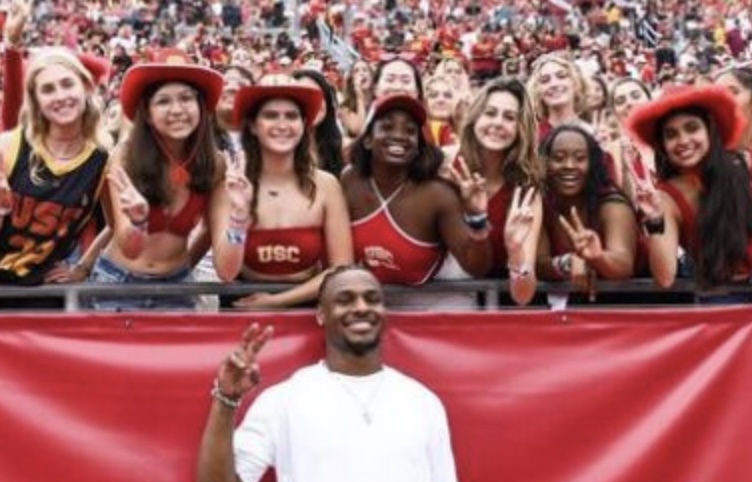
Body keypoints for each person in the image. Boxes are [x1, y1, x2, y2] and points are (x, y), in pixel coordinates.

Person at [196, 265, 466, 482]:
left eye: (372, 298)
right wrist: (227, 399)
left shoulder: (423, 403)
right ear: (321, 314)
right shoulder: (284, 400)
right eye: (345, 299)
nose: (361, 307)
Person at [87, 48, 226, 310]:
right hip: (117, 284)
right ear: (147, 114)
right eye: (163, 101)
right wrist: (139, 222)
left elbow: (219, 251)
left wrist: (184, 267)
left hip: (177, 289)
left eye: (186, 98)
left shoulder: (216, 164)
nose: (177, 110)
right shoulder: (126, 156)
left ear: (201, 106)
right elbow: (125, 240)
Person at [216, 75, 353, 309]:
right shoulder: (229, 187)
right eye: (270, 115)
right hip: (241, 309)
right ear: (252, 125)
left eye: (291, 116)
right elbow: (226, 272)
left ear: (303, 124)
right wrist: (239, 215)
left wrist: (276, 302)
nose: (282, 124)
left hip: (307, 311)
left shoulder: (326, 185)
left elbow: (341, 269)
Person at [342, 94, 493, 304]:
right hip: (372, 302)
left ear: (419, 145)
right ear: (367, 139)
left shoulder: (437, 194)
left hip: (436, 303)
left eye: (410, 131)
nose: (399, 135)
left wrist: (477, 218)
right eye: (387, 127)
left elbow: (476, 267)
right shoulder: (350, 181)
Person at [0, 47, 109, 308]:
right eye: (48, 90)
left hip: (42, 295)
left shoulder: (103, 162)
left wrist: (83, 267)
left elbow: (116, 226)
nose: (60, 96)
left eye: (67, 84)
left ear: (85, 86)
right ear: (36, 101)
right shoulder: (8, 146)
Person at [626, 84, 752, 302]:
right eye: (671, 134)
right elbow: (665, 278)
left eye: (692, 128)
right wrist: (654, 220)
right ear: (663, 145)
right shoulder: (665, 197)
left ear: (709, 130)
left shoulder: (746, 165)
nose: (683, 141)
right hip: (723, 304)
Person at [452, 78, 543, 305]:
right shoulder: (447, 166)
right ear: (475, 118)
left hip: (500, 311)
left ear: (521, 129)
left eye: (510, 117)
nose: (498, 123)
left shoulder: (526, 192)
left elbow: (524, 295)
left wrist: (515, 251)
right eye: (490, 113)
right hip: (444, 302)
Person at [536, 125, 638, 300]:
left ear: (593, 164)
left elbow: (623, 265)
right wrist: (567, 262)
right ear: (545, 163)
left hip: (629, 304)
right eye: (558, 158)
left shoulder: (613, 204)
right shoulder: (541, 202)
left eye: (580, 158)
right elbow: (538, 264)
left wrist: (598, 258)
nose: (569, 165)